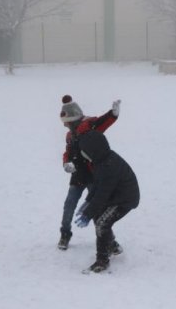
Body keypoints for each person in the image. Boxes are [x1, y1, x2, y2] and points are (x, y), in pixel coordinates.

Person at [58, 95, 120, 250]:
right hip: (78, 176)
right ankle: (65, 234)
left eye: (66, 123)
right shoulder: (69, 135)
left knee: (97, 208)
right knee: (69, 206)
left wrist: (112, 114)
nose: (65, 126)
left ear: (73, 119)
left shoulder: (90, 126)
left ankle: (110, 241)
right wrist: (66, 163)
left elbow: (103, 121)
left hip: (94, 176)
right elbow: (68, 152)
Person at [74, 130, 139, 273]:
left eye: (85, 151)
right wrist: (87, 202)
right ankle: (112, 246)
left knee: (102, 223)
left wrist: (88, 213)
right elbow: (97, 185)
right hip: (114, 196)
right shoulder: (101, 160)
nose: (83, 154)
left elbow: (103, 194)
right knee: (99, 218)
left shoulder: (109, 166)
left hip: (125, 199)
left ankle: (102, 261)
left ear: (93, 150)